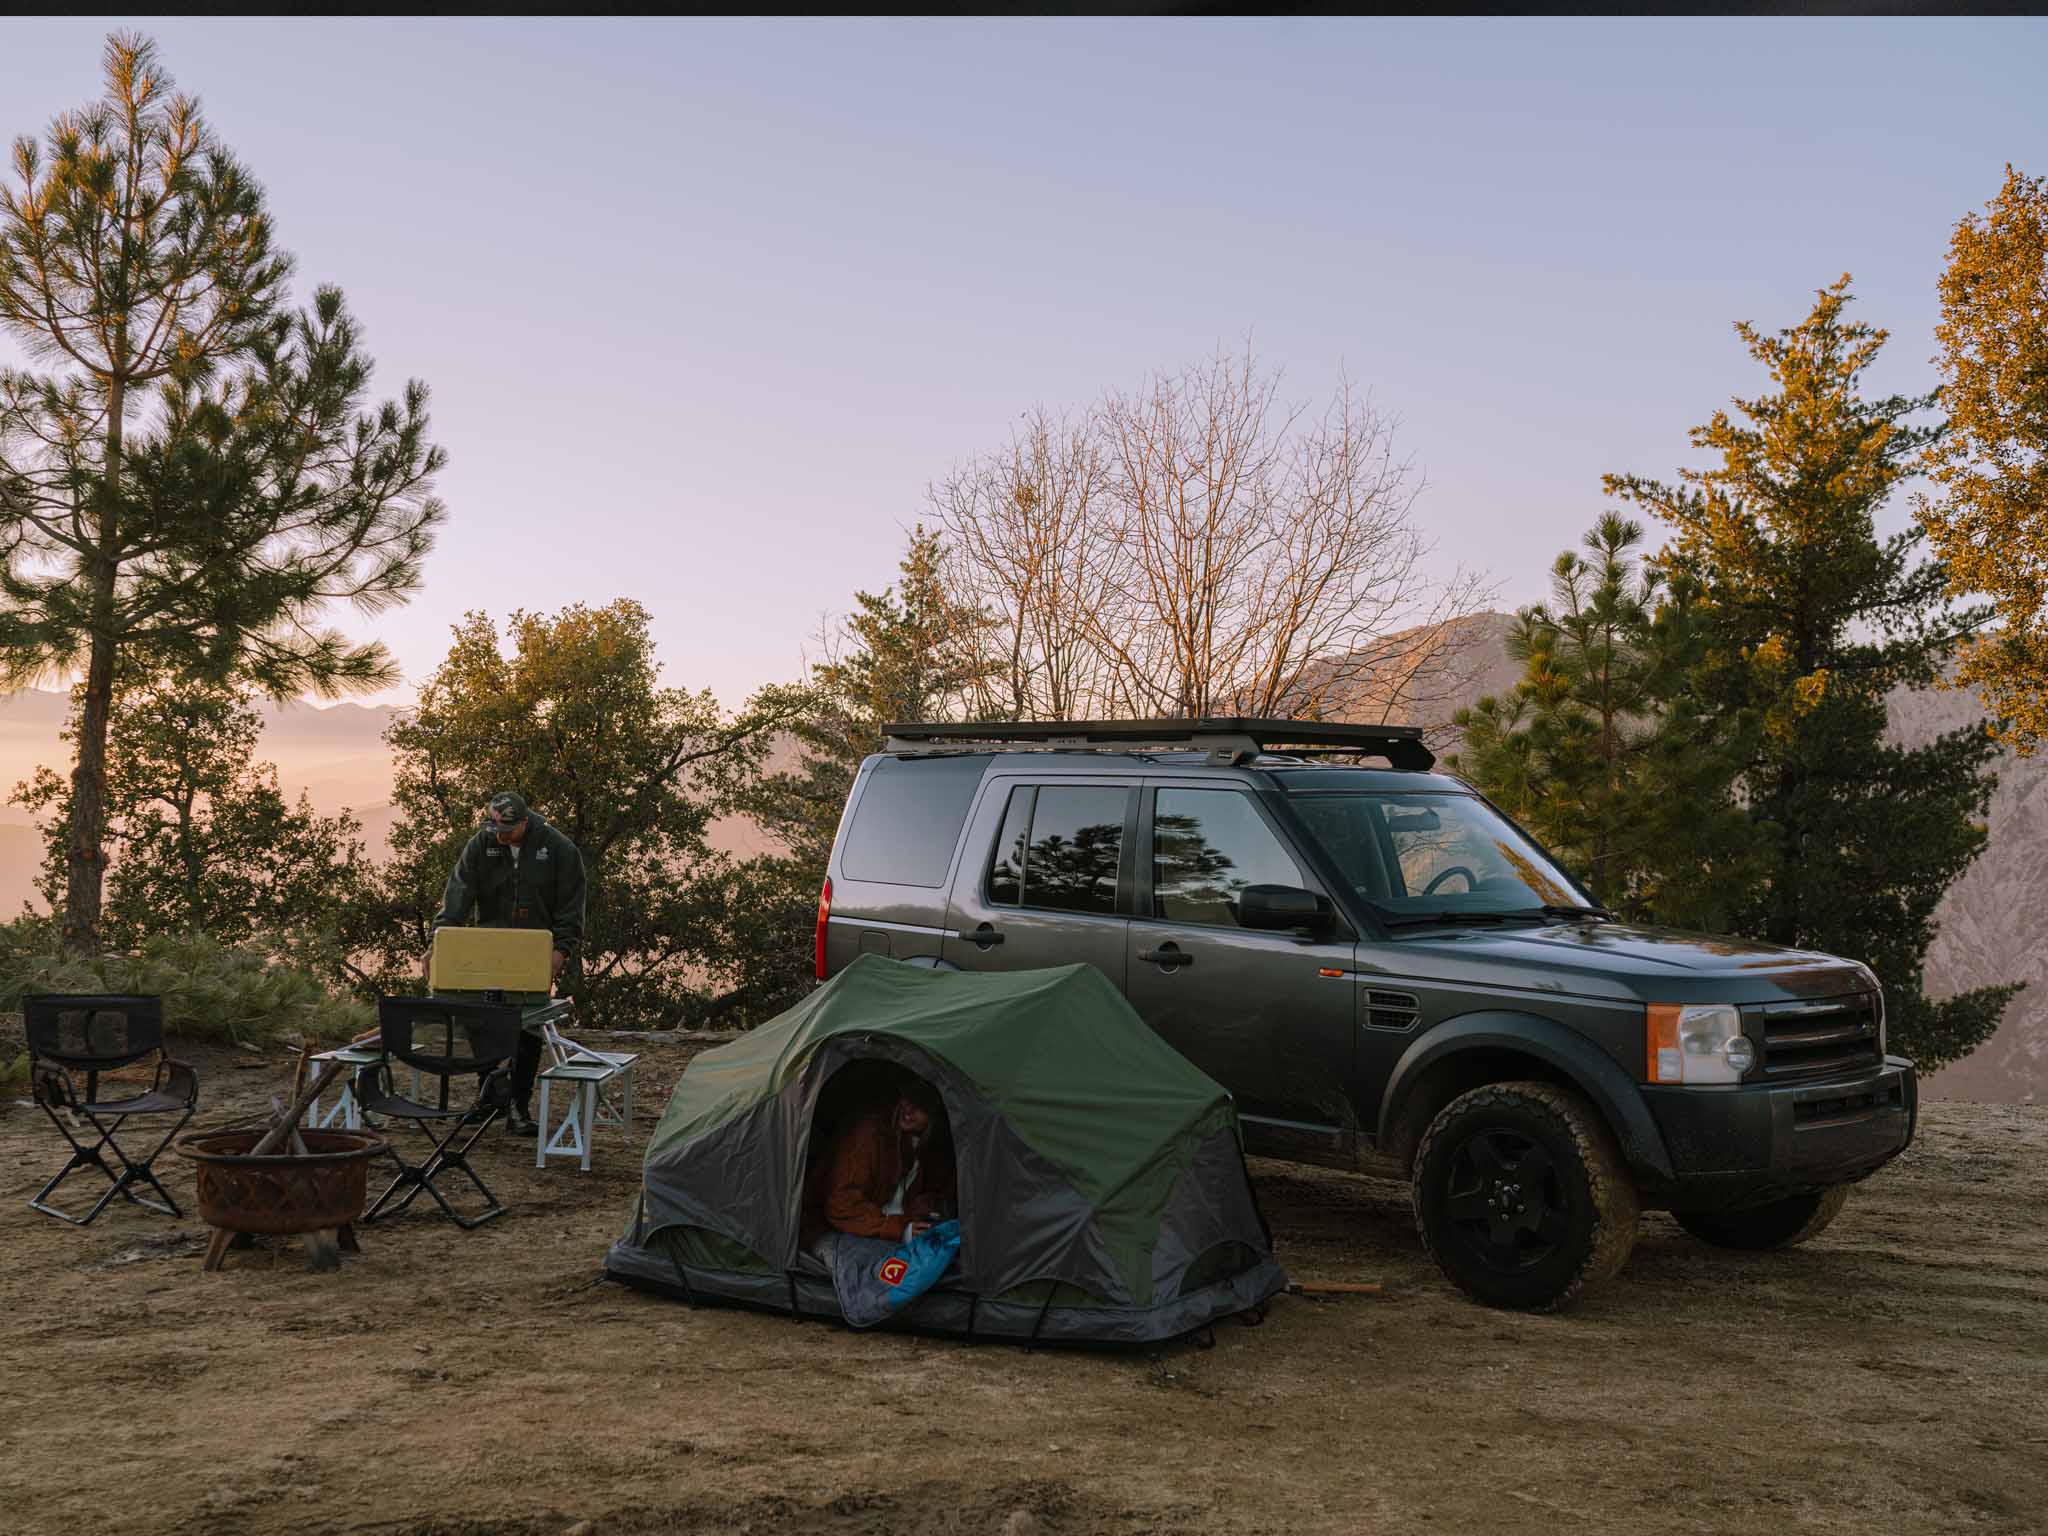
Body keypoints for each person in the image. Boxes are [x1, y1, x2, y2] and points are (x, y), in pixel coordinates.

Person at [431, 791, 587, 1137]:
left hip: (533, 950)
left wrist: (560, 951)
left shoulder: (559, 850)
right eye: (495, 826)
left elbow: (572, 908)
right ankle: (488, 1097)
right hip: (487, 947)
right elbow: (456, 898)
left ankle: (518, 1106)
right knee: (481, 1019)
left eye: (508, 828)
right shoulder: (480, 845)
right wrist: (438, 944)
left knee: (526, 1025)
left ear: (526, 822)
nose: (500, 834)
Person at [803, 1077, 956, 1254]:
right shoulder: (869, 1134)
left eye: (921, 1107)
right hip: (831, 1228)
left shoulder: (927, 1145)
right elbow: (841, 1205)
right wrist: (899, 1229)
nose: (909, 1109)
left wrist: (920, 1218)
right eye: (908, 1098)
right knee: (882, 1275)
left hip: (880, 1227)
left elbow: (929, 1193)